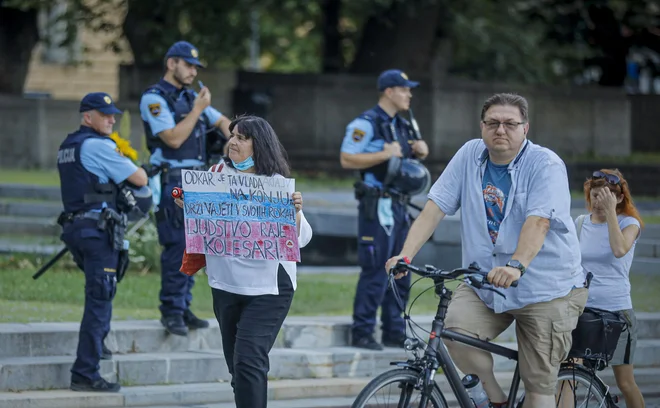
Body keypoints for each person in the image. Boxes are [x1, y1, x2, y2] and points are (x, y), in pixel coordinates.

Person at [386, 93, 588, 408]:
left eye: (510, 123)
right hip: (485, 283)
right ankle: (496, 402)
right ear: (482, 126)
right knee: (453, 332)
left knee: (538, 386)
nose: (501, 130)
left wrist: (516, 266)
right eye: (493, 123)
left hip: (546, 287)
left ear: (526, 128)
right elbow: (435, 207)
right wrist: (405, 254)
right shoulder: (469, 154)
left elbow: (538, 222)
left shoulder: (545, 164)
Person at [174, 115, 312, 408]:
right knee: (237, 367)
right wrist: (189, 204)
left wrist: (295, 212)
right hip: (225, 284)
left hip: (269, 288)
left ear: (258, 145)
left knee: (249, 360)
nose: (233, 142)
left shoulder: (275, 184)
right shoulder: (214, 174)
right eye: (232, 135)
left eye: (242, 137)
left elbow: (301, 239)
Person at [139, 40, 232, 336]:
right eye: (188, 64)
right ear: (171, 64)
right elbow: (174, 139)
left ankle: (183, 305)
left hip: (200, 180)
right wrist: (198, 109)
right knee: (178, 246)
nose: (193, 70)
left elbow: (223, 123)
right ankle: (171, 311)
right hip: (174, 179)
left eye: (196, 67)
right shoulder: (155, 99)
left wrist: (240, 137)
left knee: (197, 247)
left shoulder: (191, 97)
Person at [57, 92, 148, 392]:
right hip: (96, 230)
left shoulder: (68, 146)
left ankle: (98, 348)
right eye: (105, 114)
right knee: (100, 300)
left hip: (77, 229)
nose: (112, 119)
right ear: (87, 117)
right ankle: (85, 372)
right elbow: (139, 179)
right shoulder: (98, 145)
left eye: (113, 114)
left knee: (99, 294)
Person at [340, 69, 430, 351]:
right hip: (377, 206)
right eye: (404, 89)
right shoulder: (365, 124)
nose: (409, 94)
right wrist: (384, 153)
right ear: (389, 92)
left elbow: (405, 161)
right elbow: (346, 158)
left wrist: (418, 150)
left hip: (399, 206)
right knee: (376, 269)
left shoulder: (402, 125)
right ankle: (363, 331)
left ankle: (394, 330)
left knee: (402, 269)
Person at [574, 169, 645, 408]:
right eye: (594, 195)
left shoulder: (629, 223)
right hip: (582, 311)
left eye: (604, 196)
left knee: (625, 383)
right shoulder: (581, 223)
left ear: (619, 198)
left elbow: (619, 249)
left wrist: (611, 213)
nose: (597, 202)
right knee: (570, 375)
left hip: (616, 313)